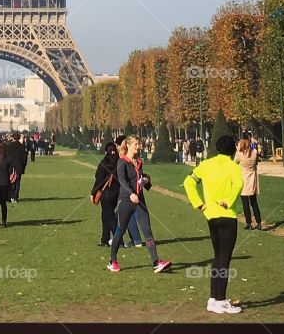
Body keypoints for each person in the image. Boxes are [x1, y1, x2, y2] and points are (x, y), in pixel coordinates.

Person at [184, 133, 244, 315]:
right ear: (233, 150)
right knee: (224, 259)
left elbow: (188, 182)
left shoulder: (206, 165)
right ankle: (221, 301)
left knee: (218, 257)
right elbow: (238, 185)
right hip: (227, 216)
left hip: (210, 216)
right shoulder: (233, 167)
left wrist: (199, 203)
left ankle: (213, 299)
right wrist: (229, 200)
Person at [107, 135, 170, 274]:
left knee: (147, 232)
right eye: (136, 144)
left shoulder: (139, 161)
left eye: (139, 143)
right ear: (128, 145)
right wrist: (130, 194)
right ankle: (113, 260)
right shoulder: (122, 162)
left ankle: (156, 262)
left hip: (140, 201)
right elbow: (122, 180)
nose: (138, 146)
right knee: (120, 230)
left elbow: (139, 177)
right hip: (126, 201)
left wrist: (146, 181)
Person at [91, 141, 119, 247]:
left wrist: (93, 192)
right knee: (105, 216)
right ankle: (104, 239)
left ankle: (118, 239)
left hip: (106, 193)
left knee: (109, 217)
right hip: (117, 192)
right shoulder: (119, 162)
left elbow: (99, 180)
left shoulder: (104, 163)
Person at [234, 138, 262, 230]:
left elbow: (234, 163)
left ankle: (249, 223)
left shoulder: (240, 154)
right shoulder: (254, 152)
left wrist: (238, 150)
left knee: (245, 203)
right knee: (254, 202)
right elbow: (257, 161)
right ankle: (258, 222)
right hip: (252, 178)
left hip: (243, 179)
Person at [6, 132, 27, 202]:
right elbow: (24, 159)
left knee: (10, 182)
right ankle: (15, 197)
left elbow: (6, 157)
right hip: (19, 167)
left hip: (10, 166)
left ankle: (11, 196)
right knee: (17, 183)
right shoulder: (22, 147)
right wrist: (23, 166)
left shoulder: (8, 146)